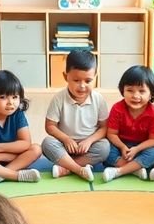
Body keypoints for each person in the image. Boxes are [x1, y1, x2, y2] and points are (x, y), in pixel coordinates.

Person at [43, 50, 110, 182]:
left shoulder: (98, 99)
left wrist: (89, 141)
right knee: (47, 143)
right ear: (65, 76)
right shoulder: (59, 98)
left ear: (95, 77)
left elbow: (104, 128)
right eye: (76, 80)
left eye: (88, 80)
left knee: (105, 147)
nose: (82, 86)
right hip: (65, 146)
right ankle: (79, 169)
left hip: (88, 147)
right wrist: (66, 139)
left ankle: (67, 167)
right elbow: (50, 126)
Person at [101, 65, 154, 183]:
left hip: (141, 147)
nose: (135, 96)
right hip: (120, 145)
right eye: (130, 90)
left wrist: (136, 149)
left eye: (142, 91)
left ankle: (119, 171)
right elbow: (111, 134)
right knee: (105, 148)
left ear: (151, 94)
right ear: (122, 90)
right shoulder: (117, 108)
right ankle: (134, 169)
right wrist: (122, 147)